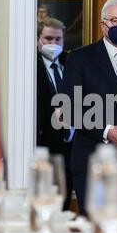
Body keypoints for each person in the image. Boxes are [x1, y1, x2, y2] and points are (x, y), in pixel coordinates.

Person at [62, 0, 117, 216]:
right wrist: (107, 131)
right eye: (115, 20)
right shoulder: (79, 58)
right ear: (103, 25)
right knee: (95, 231)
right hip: (91, 161)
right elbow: (69, 107)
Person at [37, 17, 74, 210]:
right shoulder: (30, 68)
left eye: (57, 39)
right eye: (48, 39)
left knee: (65, 206)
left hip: (73, 148)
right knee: (46, 206)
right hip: (45, 148)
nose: (53, 44)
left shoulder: (74, 62)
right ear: (38, 40)